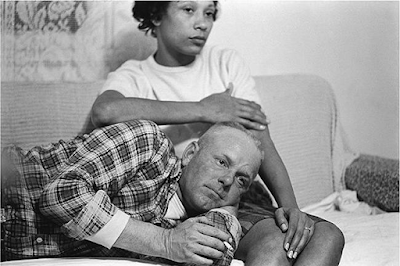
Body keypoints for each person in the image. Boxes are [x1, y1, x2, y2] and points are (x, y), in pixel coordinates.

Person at [91, 1, 345, 265]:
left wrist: (290, 206)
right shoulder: (136, 75)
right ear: (156, 14)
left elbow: (259, 138)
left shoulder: (225, 62)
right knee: (273, 247)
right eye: (188, 9)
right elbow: (106, 111)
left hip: (235, 194)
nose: (202, 23)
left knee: (328, 235)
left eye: (209, 13)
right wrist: (204, 110)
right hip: (182, 200)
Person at [2, 120, 263, 265]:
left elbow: (216, 257)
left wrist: (228, 212)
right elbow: (61, 196)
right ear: (191, 154)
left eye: (241, 180)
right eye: (221, 162)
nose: (228, 180)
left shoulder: (189, 229)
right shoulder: (149, 145)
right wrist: (164, 242)